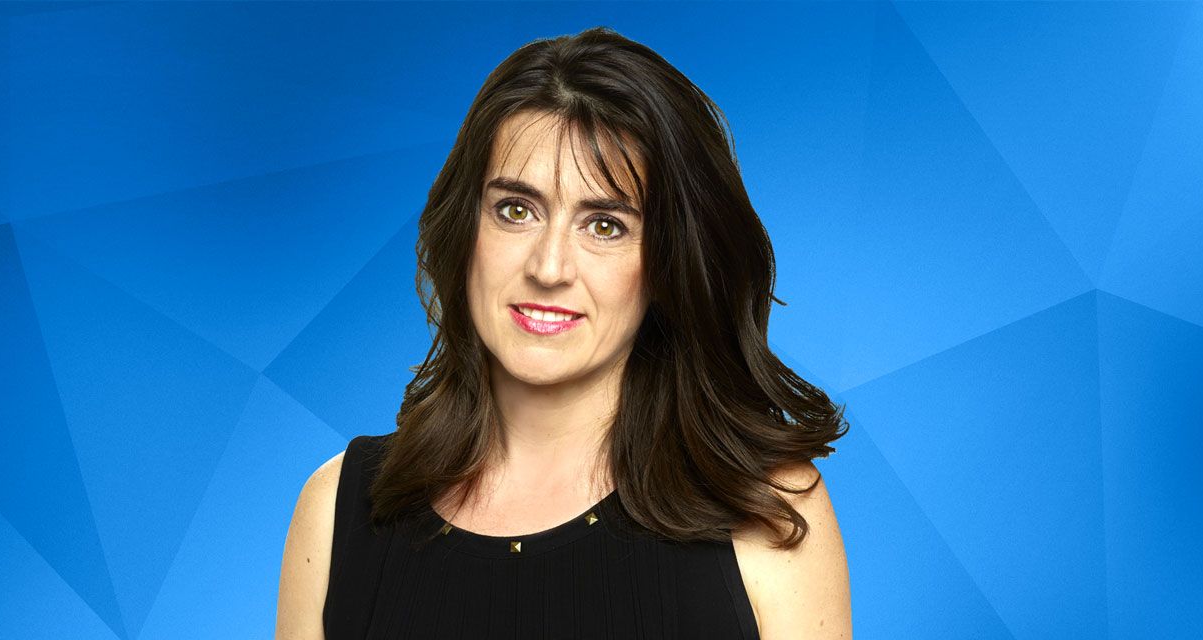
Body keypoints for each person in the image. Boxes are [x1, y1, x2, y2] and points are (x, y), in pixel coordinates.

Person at [276, 26, 851, 639]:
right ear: (465, 230)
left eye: (605, 225)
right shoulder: (338, 507)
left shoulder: (769, 512)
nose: (548, 268)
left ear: (668, 262)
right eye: (515, 210)